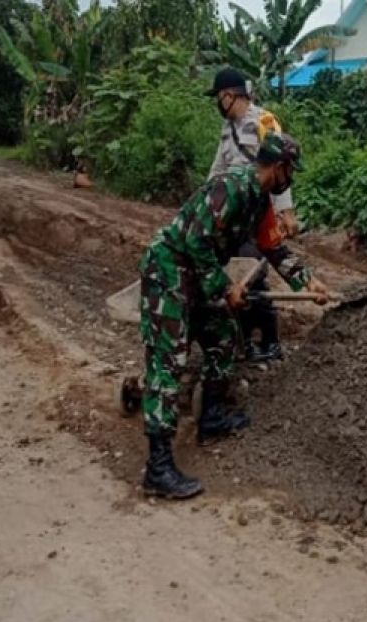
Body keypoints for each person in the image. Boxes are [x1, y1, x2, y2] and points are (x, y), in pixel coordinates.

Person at [139, 133, 329, 499]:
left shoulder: (260, 202)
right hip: (170, 271)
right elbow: (195, 240)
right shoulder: (231, 188)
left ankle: (211, 418)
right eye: (290, 170)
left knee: (223, 336)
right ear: (278, 167)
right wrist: (226, 287)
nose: (291, 178)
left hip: (198, 276)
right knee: (169, 360)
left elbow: (273, 247)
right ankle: (158, 468)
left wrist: (308, 280)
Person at [205, 68, 298, 363]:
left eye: (219, 98)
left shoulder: (264, 122)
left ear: (230, 95)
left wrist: (286, 211)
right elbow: (218, 168)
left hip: (256, 212)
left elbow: (280, 166)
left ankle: (270, 341)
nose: (218, 104)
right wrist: (204, 202)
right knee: (233, 274)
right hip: (229, 212)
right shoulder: (228, 128)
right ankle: (243, 341)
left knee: (253, 273)